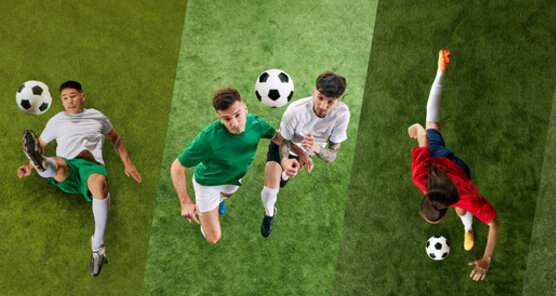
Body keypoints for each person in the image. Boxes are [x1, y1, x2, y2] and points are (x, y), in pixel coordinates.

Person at [17, 80, 141, 276]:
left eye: (73, 96)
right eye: (65, 98)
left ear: (82, 96)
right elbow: (38, 145)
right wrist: (30, 167)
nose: (69, 101)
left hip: (91, 166)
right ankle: (42, 165)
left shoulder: (97, 116)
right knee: (56, 163)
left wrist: (128, 163)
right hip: (67, 163)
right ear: (61, 102)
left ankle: (97, 246)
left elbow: (115, 138)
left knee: (99, 183)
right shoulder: (57, 120)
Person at [408, 49, 500, 281]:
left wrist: (487, 258)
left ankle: (467, 226)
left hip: (454, 167)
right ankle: (440, 70)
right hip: (436, 157)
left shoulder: (463, 198)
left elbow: (494, 225)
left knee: (464, 209)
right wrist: (416, 128)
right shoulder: (419, 176)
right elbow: (422, 131)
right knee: (431, 121)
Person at [169, 87, 305, 244]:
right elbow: (177, 167)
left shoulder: (255, 124)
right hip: (207, 184)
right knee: (213, 238)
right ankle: (208, 218)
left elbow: (276, 136)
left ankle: (219, 201)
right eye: (226, 119)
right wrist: (185, 202)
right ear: (219, 118)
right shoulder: (208, 139)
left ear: (245, 109)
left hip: (233, 179)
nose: (234, 123)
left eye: (237, 115)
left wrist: (299, 153)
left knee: (226, 194)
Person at [260, 71, 350, 237]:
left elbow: (332, 155)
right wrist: (287, 160)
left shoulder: (342, 115)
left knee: (284, 178)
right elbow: (284, 140)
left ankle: (285, 176)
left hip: (309, 152)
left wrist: (315, 148)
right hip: (286, 146)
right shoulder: (295, 111)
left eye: (330, 102)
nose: (323, 105)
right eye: (320, 97)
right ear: (314, 92)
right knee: (269, 191)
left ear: (338, 101)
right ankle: (269, 212)